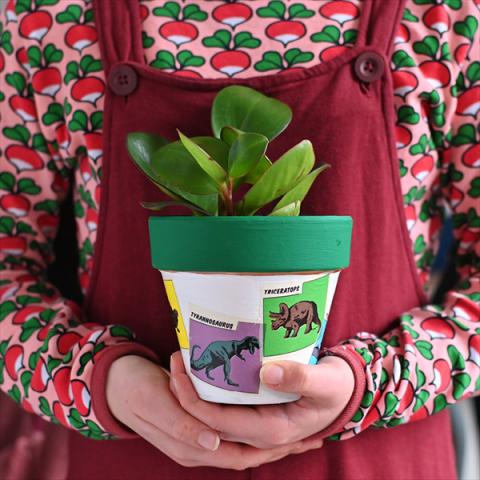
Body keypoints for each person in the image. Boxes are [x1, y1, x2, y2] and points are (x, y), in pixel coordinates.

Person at [0, 0, 479, 478]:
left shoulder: (444, 15)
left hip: (378, 463)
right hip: (134, 461)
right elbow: (7, 270)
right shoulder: (50, 17)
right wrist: (99, 382)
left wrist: (373, 384)